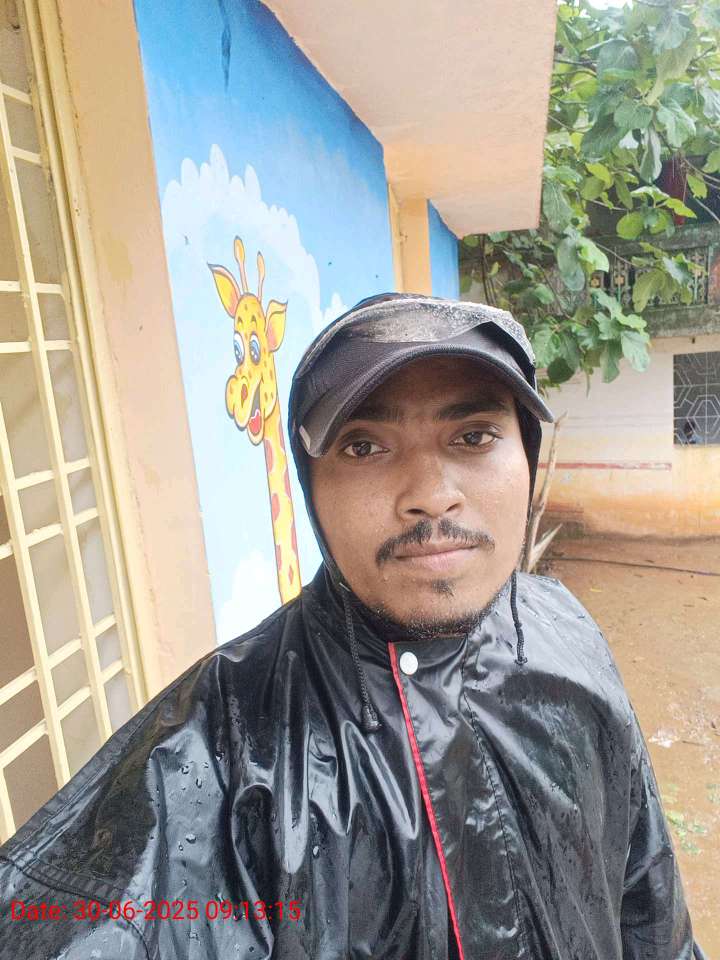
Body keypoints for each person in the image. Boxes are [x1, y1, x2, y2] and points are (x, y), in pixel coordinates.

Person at [0, 293, 705, 959]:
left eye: (473, 436)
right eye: (364, 447)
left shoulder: (569, 632)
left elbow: (648, 902)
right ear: (310, 485)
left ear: (526, 453)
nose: (431, 495)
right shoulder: (220, 749)